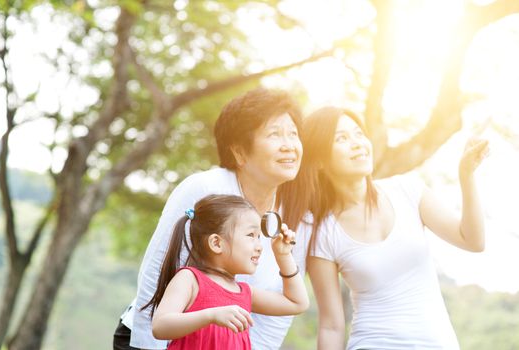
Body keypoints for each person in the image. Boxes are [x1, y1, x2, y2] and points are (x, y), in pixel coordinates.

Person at [114, 87, 309, 350]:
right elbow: (158, 272)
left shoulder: (292, 216)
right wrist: (147, 345)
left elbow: (286, 308)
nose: (289, 145)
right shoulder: (205, 189)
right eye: (274, 134)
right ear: (239, 152)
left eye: (293, 134)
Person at [281, 107, 489, 349]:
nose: (357, 144)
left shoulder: (407, 191)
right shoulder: (323, 232)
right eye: (342, 139)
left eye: (359, 134)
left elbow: (472, 240)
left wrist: (466, 175)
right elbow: (331, 325)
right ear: (319, 161)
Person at [143, 194, 309, 349]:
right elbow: (160, 326)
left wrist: (284, 255)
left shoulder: (244, 292)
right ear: (216, 243)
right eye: (251, 235)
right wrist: (211, 316)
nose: (259, 246)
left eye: (259, 236)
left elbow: (297, 303)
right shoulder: (190, 279)